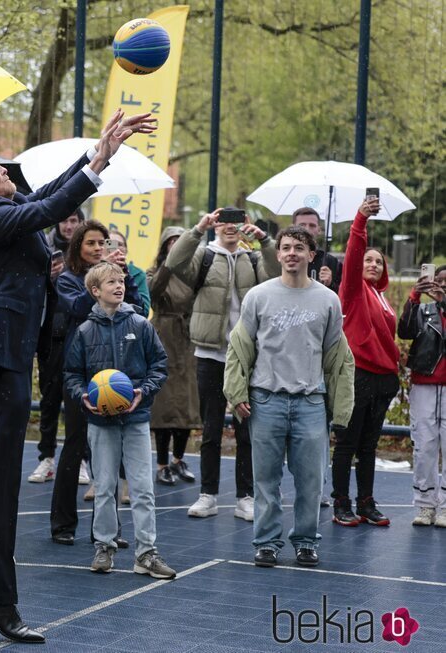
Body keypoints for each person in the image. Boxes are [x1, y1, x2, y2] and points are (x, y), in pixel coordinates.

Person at [0, 108, 157, 644]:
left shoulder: (2, 205)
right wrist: (96, 164)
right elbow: (52, 204)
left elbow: (48, 191)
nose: (7, 170)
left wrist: (100, 153)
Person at [224, 226, 354, 569]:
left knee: (311, 480)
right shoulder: (258, 296)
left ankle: (306, 541)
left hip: (311, 402)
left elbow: (337, 359)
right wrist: (237, 393)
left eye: (300, 247)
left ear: (312, 255)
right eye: (286, 247)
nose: (292, 252)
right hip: (265, 400)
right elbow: (239, 349)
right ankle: (266, 543)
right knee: (265, 479)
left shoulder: (328, 300)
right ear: (278, 254)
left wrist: (338, 409)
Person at [166, 207, 281, 521]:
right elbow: (174, 263)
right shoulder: (203, 256)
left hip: (247, 356)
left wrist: (265, 242)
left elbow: (276, 276)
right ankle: (208, 494)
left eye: (236, 222)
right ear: (216, 225)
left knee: (246, 430)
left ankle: (245, 496)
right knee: (211, 429)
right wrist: (197, 229)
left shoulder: (253, 259)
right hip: (210, 354)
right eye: (224, 222)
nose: (230, 227)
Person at [63, 261, 173, 578]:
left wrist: (143, 391)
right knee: (105, 487)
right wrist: (83, 395)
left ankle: (146, 553)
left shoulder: (140, 325)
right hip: (101, 422)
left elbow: (159, 366)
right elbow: (71, 374)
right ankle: (104, 547)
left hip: (136, 417)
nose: (119, 285)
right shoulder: (84, 331)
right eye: (111, 282)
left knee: (142, 488)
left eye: (121, 280)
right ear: (95, 291)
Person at [50, 220, 126, 545]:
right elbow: (80, 307)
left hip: (112, 371)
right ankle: (63, 524)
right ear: (78, 246)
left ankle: (106, 531)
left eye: (102, 243)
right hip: (80, 372)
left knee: (109, 450)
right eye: (91, 243)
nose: (98, 248)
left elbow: (131, 308)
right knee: (76, 444)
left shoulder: (116, 277)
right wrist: (97, 283)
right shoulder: (67, 279)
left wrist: (121, 277)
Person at [332, 196, 399, 527]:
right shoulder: (353, 290)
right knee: (347, 443)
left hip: (385, 379)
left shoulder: (383, 299)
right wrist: (360, 220)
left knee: (369, 445)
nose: (373, 264)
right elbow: (354, 253)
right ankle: (341, 502)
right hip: (358, 375)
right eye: (369, 260)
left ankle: (366, 502)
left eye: (379, 262)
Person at [30, 210, 83, 484]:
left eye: (74, 220)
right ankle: (46, 457)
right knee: (49, 400)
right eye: (65, 219)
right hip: (50, 335)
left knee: (82, 401)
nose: (69, 225)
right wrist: (48, 278)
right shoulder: (44, 246)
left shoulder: (90, 251)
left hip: (81, 337)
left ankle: (84, 459)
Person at [147, 227, 200, 486]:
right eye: (172, 241)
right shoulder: (155, 272)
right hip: (164, 336)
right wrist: (167, 266)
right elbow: (153, 292)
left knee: (188, 403)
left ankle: (180, 459)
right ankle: (162, 463)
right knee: (164, 404)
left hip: (189, 338)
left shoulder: (193, 271)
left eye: (181, 241)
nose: (177, 245)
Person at [398, 265, 446, 527]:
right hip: (424, 384)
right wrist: (413, 297)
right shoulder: (423, 310)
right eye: (437, 280)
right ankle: (425, 504)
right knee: (424, 445)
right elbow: (404, 331)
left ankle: (445, 507)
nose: (441, 285)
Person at [292, 207, 342, 291]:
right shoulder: (285, 257)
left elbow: (342, 296)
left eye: (312, 225)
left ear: (319, 230)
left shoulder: (331, 261)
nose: (307, 229)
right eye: (302, 225)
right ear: (292, 228)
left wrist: (330, 284)